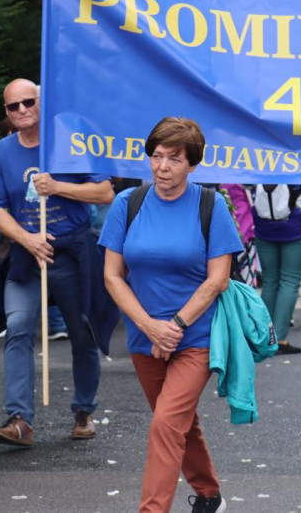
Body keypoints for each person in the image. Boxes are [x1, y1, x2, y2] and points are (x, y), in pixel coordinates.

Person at [98, 116, 243, 513]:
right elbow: (112, 277)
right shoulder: (128, 204)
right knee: (177, 422)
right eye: (157, 156)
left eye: (174, 159)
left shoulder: (211, 205)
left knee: (165, 424)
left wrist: (175, 326)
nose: (162, 167)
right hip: (145, 337)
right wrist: (149, 326)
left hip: (195, 338)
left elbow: (218, 280)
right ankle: (209, 494)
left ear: (192, 164)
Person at [0, 79, 116, 447]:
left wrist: (57, 187)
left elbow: (105, 191)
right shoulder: (0, 153)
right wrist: (26, 239)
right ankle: (19, 419)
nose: (22, 110)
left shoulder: (70, 142)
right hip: (27, 252)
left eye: (29, 102)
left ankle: (84, 411)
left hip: (73, 250)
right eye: (13, 106)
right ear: (7, 113)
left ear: (42, 102)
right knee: (18, 327)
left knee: (81, 332)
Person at [252, 184, 301, 354]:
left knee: (270, 281)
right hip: (297, 224)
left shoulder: (259, 158)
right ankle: (279, 338)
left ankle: (265, 337)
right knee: (290, 280)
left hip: (264, 225)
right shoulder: (300, 157)